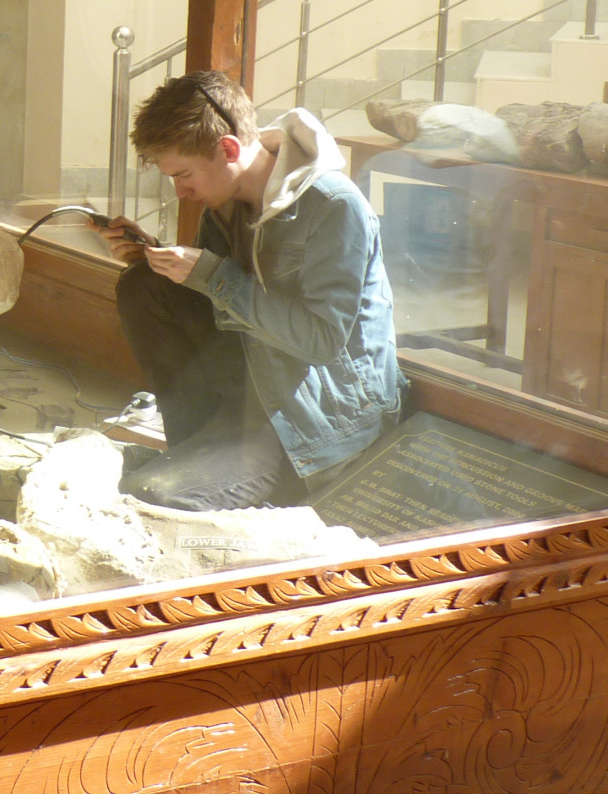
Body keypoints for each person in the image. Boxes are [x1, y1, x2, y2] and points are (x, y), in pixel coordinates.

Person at [102, 70, 400, 511]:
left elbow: (320, 342)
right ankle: (198, 447)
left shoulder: (335, 205)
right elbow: (220, 303)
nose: (181, 193)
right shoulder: (226, 204)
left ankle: (222, 470)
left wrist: (212, 275)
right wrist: (158, 262)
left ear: (228, 149)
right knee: (145, 287)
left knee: (149, 499)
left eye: (184, 175)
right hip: (250, 390)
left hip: (314, 417)